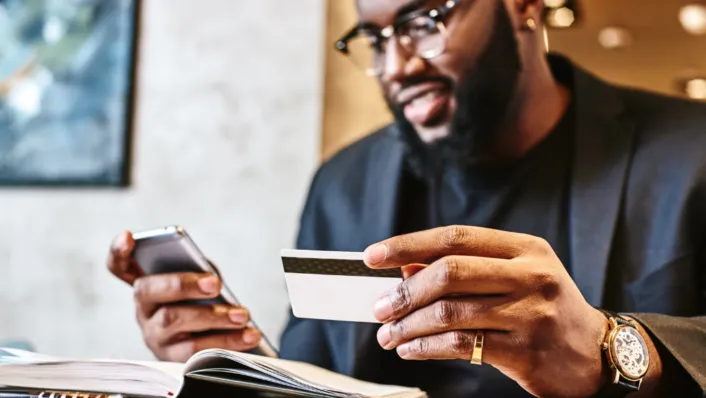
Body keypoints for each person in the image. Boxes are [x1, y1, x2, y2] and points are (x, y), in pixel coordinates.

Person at [108, 0, 706, 396]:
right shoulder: (343, 181)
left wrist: (611, 349)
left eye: (425, 20)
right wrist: (232, 365)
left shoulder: (691, 151)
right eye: (375, 38)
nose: (398, 65)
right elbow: (314, 374)